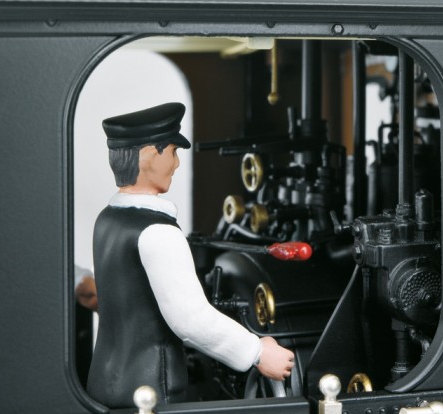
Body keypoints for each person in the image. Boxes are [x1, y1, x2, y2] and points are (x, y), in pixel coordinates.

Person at [86, 102, 294, 408]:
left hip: (105, 381)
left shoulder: (107, 219)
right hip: (151, 390)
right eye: (172, 152)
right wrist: (258, 353)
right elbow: (190, 320)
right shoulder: (158, 232)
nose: (176, 164)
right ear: (148, 157)